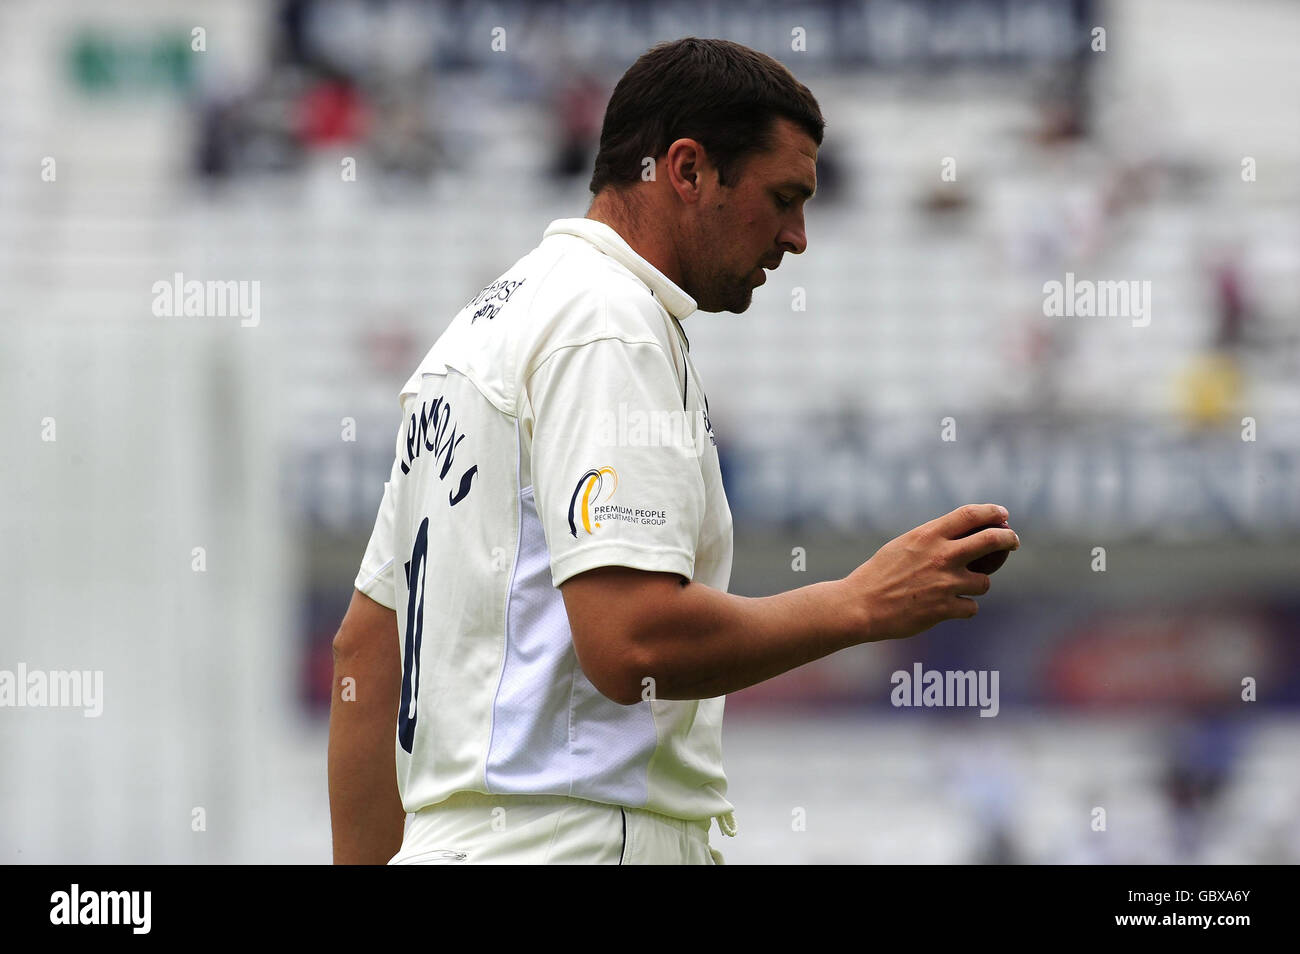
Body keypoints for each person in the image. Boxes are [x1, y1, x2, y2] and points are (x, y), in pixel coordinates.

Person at [328, 37, 1019, 865]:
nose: (797, 237)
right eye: (784, 197)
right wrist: (861, 603)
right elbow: (633, 642)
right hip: (579, 841)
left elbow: (364, 654)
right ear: (686, 170)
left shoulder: (466, 345)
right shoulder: (608, 324)